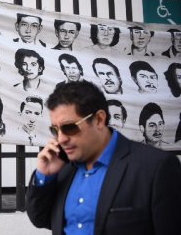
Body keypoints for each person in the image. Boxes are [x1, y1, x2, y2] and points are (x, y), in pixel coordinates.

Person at [26, 80, 181, 235]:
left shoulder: (155, 167)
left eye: (69, 127)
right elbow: (40, 219)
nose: (61, 139)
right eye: (55, 130)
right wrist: (44, 175)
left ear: (99, 119)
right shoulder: (62, 166)